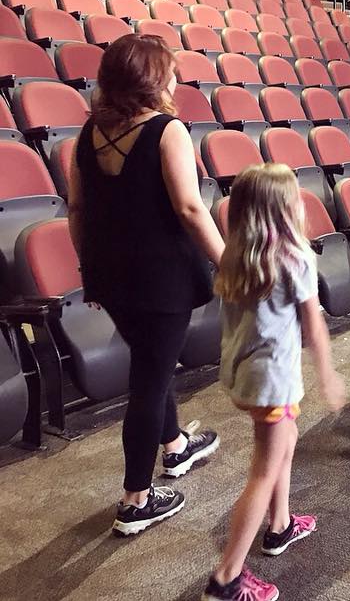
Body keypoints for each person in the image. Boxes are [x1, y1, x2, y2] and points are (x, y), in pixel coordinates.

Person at [67, 34, 224, 536]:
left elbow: (78, 210)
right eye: (170, 71)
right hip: (163, 279)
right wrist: (229, 263)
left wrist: (88, 267)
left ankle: (175, 446)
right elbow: (189, 208)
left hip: (111, 275)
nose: (175, 79)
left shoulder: (87, 134)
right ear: (154, 80)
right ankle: (136, 499)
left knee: (151, 364)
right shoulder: (167, 130)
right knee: (149, 382)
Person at [203, 164, 346, 601]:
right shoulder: (296, 256)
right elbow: (315, 325)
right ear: (284, 210)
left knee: (286, 441)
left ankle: (280, 525)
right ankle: (226, 579)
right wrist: (328, 373)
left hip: (244, 376)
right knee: (263, 471)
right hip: (272, 383)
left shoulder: (236, 255)